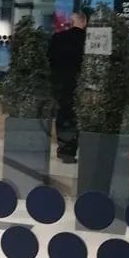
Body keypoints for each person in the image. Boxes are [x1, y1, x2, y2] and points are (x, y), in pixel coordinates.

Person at [48, 10, 87, 163]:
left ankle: (63, 147)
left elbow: (50, 60)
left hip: (60, 84)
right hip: (79, 84)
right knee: (77, 117)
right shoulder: (88, 40)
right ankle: (71, 148)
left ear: (70, 22)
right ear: (84, 22)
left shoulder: (58, 38)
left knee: (62, 115)